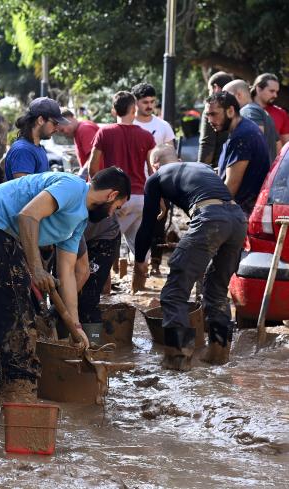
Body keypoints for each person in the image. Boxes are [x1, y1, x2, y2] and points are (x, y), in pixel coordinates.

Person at [0, 168, 131, 405]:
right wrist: (37, 268)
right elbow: (28, 216)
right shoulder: (72, 187)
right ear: (112, 196)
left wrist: (76, 325)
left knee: (26, 316)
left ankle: (10, 399)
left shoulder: (79, 220)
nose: (113, 214)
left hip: (2, 236)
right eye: (117, 207)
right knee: (16, 319)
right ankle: (18, 400)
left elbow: (67, 272)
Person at [133, 157, 247, 371]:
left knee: (175, 291)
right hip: (238, 219)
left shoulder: (155, 178)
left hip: (211, 219)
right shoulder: (201, 168)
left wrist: (140, 261)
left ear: (155, 164)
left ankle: (178, 358)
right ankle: (218, 352)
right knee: (217, 291)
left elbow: (148, 225)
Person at [88, 91, 156, 265]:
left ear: (113, 111)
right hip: (141, 197)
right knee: (140, 247)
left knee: (106, 244)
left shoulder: (104, 132)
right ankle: (139, 285)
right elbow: (152, 169)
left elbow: (93, 167)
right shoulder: (147, 136)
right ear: (134, 110)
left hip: (114, 198)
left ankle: (107, 289)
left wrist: (97, 196)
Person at [131, 82, 177, 276]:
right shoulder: (130, 124)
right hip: (134, 181)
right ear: (135, 103)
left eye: (152, 102)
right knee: (136, 225)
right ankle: (136, 262)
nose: (149, 106)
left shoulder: (163, 126)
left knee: (158, 223)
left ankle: (155, 264)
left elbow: (171, 153)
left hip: (159, 181)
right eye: (145, 102)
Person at [205, 91, 271, 217]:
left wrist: (212, 212)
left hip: (243, 214)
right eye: (208, 115)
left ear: (230, 111)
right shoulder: (242, 130)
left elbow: (231, 185)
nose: (209, 120)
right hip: (242, 212)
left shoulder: (242, 136)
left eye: (213, 114)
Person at [4, 97, 69, 180]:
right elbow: (24, 190)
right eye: (55, 123)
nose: (56, 129)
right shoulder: (23, 150)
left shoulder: (37, 148)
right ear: (40, 120)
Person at [224, 79, 280, 162]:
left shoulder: (247, 112)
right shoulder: (260, 111)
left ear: (238, 95)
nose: (224, 101)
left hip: (258, 173)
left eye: (226, 96)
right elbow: (278, 145)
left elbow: (253, 144)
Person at [198, 71, 233, 166]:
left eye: (209, 89)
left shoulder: (211, 109)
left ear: (215, 87)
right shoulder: (241, 108)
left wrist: (200, 170)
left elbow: (207, 143)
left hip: (218, 168)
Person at [251, 73, 289, 146]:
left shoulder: (281, 113)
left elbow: (287, 147)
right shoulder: (242, 110)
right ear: (258, 89)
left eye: (276, 92)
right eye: (272, 91)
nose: (275, 95)